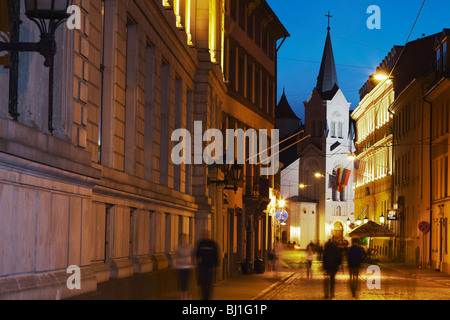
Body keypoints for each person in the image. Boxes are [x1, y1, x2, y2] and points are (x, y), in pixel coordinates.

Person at [195, 231, 219, 300]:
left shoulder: (213, 244)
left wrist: (216, 266)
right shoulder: (200, 243)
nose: (206, 236)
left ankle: (208, 297)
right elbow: (197, 253)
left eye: (208, 234)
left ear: (210, 235)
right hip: (202, 266)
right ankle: (203, 296)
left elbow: (216, 255)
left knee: (209, 283)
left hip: (210, 266)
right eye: (205, 234)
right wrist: (197, 260)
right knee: (202, 283)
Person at [175, 233, 194, 300]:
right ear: (180, 239)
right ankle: (181, 296)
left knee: (186, 281)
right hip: (180, 266)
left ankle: (185, 295)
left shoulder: (190, 247)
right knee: (181, 281)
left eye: (184, 238)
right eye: (181, 238)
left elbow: (192, 256)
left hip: (187, 267)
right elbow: (177, 257)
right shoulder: (179, 247)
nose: (183, 239)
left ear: (186, 238)